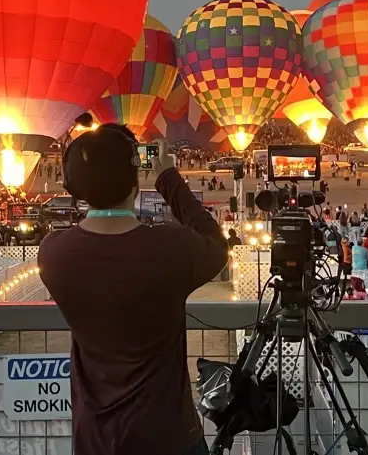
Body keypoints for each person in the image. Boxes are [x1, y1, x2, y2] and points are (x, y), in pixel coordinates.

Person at [39, 128, 228, 455]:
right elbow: (214, 242)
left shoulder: (54, 254)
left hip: (96, 441)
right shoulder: (171, 248)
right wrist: (168, 177)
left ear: (73, 187)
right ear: (135, 181)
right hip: (169, 437)